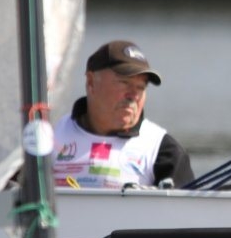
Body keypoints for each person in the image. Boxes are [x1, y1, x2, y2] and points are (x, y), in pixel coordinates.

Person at [53, 40, 194, 189]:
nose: (133, 95)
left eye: (141, 87)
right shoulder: (49, 135)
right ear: (91, 82)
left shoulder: (163, 150)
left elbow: (184, 203)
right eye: (124, 83)